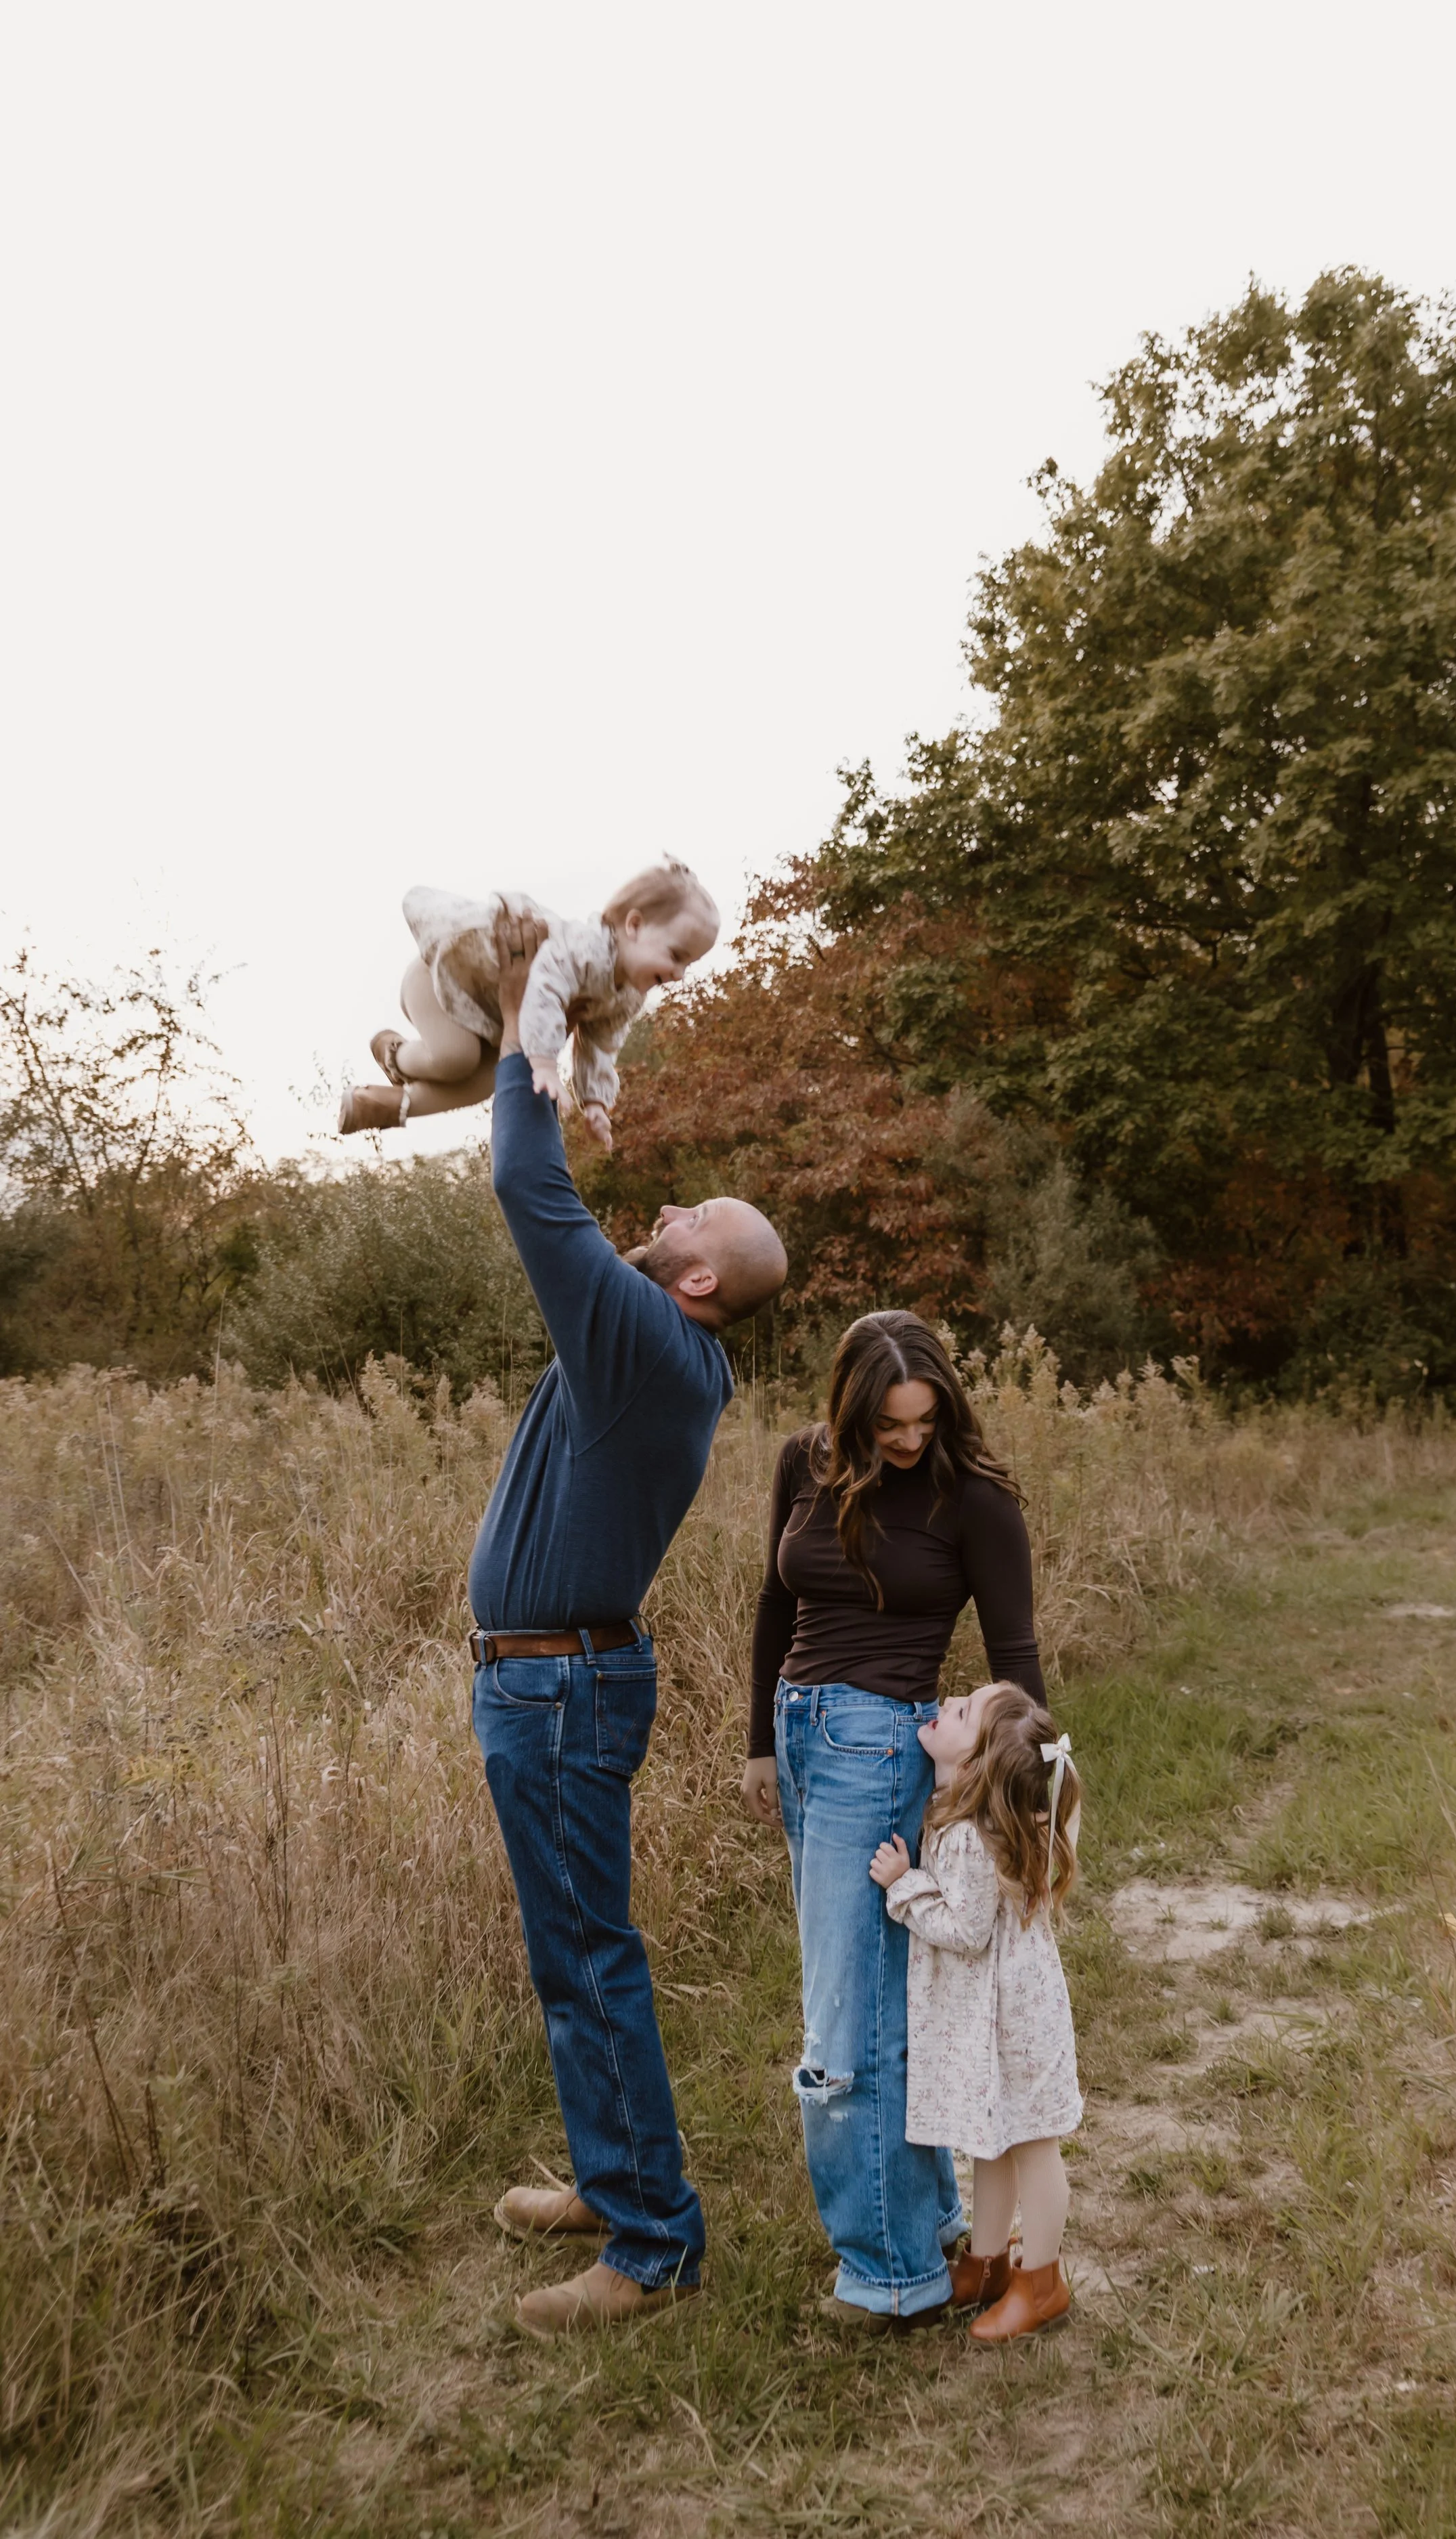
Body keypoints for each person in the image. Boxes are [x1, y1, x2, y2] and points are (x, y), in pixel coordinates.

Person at [470, 905, 786, 2337]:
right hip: (551, 1684)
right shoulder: (650, 1345)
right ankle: (613, 2184)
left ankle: (652, 2245)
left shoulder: (648, 1342)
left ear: (700, 1277)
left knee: (588, 1954)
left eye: (684, 1223)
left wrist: (530, 1029)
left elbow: (530, 1194)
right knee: (570, 1950)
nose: (659, 1216)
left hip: (563, 1691)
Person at [743, 1309, 1045, 2326]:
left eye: (924, 1420)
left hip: (878, 1752)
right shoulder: (806, 1461)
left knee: (847, 2027)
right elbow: (774, 1607)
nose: (909, 1440)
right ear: (851, 1407)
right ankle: (927, 2232)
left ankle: (888, 2272)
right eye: (890, 1423)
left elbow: (1019, 1664)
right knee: (875, 2002)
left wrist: (1030, 1812)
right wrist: (756, 1743)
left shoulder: (977, 1500)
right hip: (802, 1738)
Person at [870, 1678, 1083, 2346]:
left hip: (1013, 2021)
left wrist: (902, 1888)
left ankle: (1040, 2281)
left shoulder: (966, 1836)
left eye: (962, 1710)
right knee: (992, 2139)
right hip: (1003, 2012)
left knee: (1031, 2142)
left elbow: (964, 1927)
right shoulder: (966, 1817)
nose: (947, 1702)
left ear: (975, 1764)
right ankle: (987, 2264)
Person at [337, 859, 719, 1138]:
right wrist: (544, 1064)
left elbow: (599, 1045)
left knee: (489, 1080)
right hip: (441, 982)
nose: (679, 974)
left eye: (689, 964)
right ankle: (395, 1053)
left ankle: (381, 1106)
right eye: (675, 955)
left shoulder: (627, 996)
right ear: (634, 926)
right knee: (458, 1058)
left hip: (489, 1022)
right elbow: (544, 987)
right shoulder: (585, 947)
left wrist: (595, 1101)